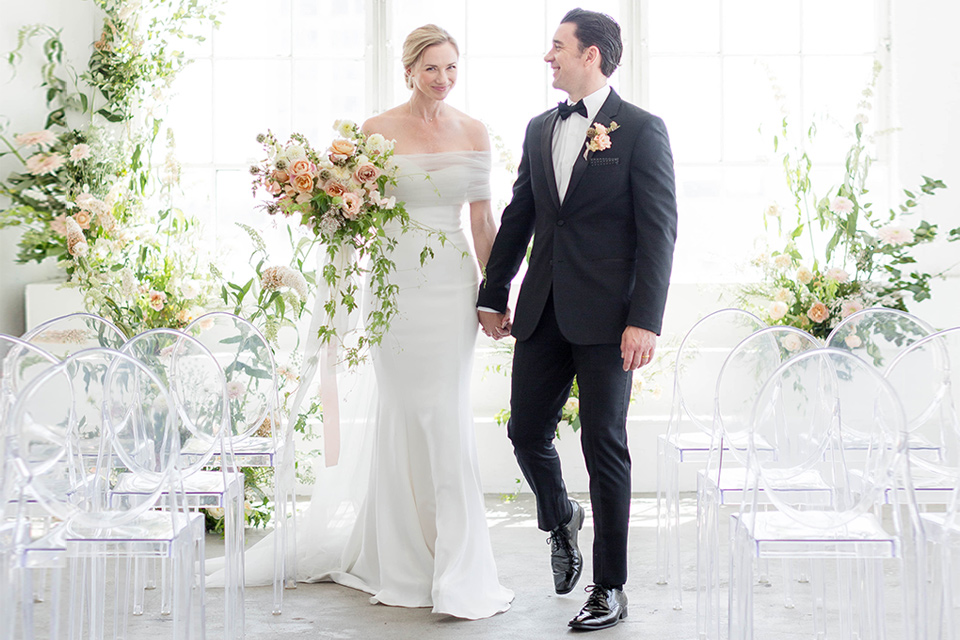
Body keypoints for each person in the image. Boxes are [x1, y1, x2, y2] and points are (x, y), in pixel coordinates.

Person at [218, 24, 513, 620]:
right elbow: (349, 220)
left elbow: (484, 225)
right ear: (408, 71)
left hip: (453, 284)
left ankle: (459, 567)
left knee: (447, 413)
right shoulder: (373, 134)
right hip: (394, 289)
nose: (443, 79)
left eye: (452, 67)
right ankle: (402, 562)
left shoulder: (475, 132)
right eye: (432, 68)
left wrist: (496, 295)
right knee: (405, 413)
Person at [477, 8, 678, 632]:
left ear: (591, 54)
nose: (549, 57)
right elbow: (520, 216)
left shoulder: (642, 130)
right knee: (526, 431)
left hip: (611, 320)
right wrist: (493, 292)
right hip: (541, 311)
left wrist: (644, 320)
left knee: (603, 445)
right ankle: (561, 515)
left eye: (558, 47)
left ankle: (610, 587)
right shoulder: (541, 128)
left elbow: (659, 234)